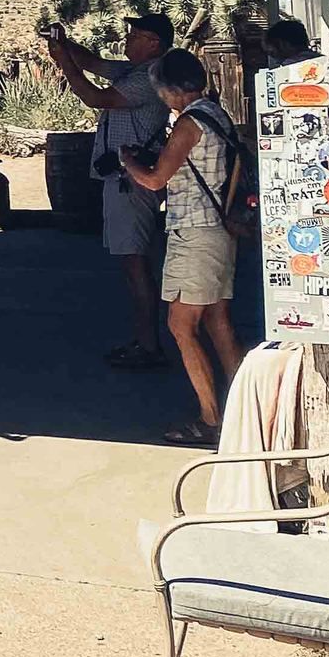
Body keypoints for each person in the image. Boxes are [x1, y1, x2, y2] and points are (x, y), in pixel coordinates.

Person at [121, 49, 246, 446]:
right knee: (219, 323)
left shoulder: (189, 124)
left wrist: (128, 163)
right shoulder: (218, 115)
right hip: (220, 231)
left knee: (181, 325)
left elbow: (157, 179)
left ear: (172, 90)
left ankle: (211, 418)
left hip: (193, 233)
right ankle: (249, 412)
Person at [46, 14, 174, 368]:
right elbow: (93, 62)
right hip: (126, 179)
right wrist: (65, 46)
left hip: (129, 180)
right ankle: (145, 339)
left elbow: (93, 96)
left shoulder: (147, 78)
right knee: (135, 259)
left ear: (154, 43)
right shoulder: (136, 71)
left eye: (136, 35)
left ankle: (148, 344)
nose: (128, 39)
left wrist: (63, 62)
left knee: (134, 261)